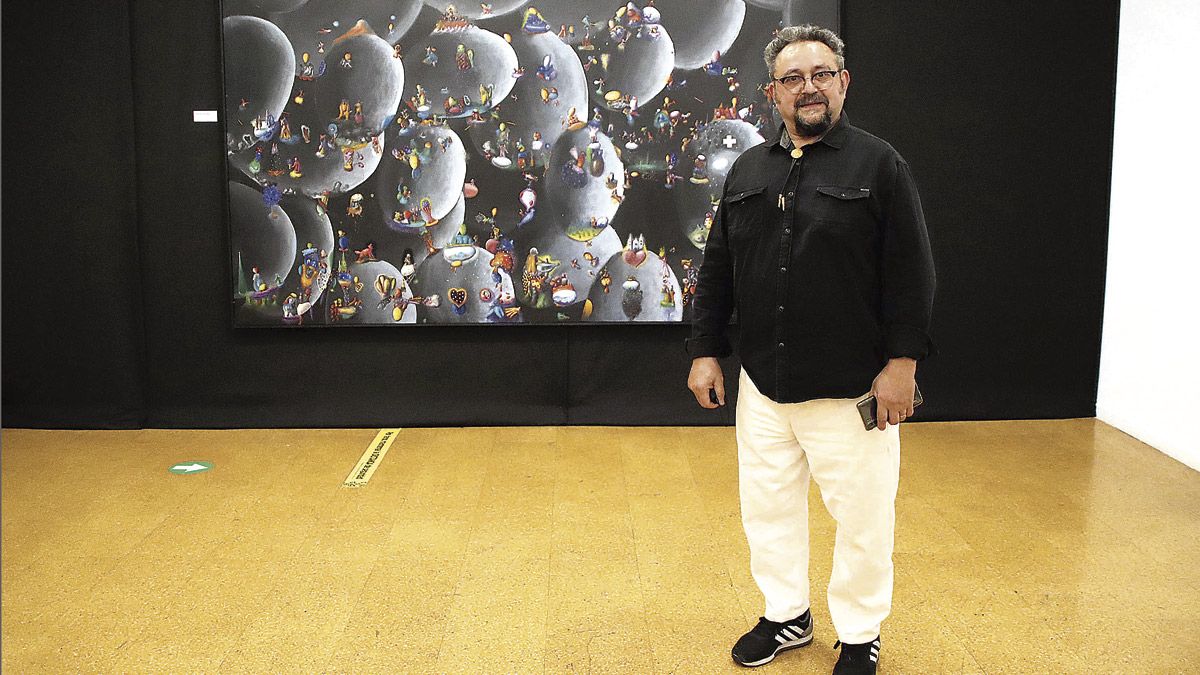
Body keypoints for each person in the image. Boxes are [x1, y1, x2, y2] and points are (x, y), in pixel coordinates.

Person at [686, 24, 936, 675]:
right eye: (794, 78)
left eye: (822, 73)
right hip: (763, 388)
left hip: (852, 389)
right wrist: (705, 349)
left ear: (843, 82)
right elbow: (718, 267)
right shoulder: (748, 168)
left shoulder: (879, 164)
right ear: (773, 92)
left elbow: (912, 271)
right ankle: (786, 614)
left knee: (862, 519)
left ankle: (859, 632)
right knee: (766, 509)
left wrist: (902, 365)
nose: (809, 87)